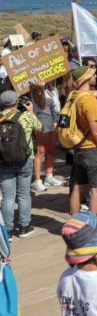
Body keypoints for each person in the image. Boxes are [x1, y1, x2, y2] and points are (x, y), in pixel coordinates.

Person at [66, 66, 97, 215]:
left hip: (78, 148)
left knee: (78, 186)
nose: (95, 77)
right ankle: (94, 225)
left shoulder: (74, 95)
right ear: (86, 78)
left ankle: (74, 221)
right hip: (92, 149)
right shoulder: (89, 101)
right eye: (93, 74)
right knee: (96, 189)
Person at [0, 91, 41, 238]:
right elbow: (40, 128)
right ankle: (24, 226)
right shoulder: (26, 116)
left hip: (3, 160)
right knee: (24, 194)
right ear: (17, 102)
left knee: (8, 196)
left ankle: (8, 230)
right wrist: (31, 111)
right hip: (24, 159)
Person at [30, 82, 62, 192]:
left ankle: (49, 176)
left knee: (51, 150)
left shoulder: (53, 88)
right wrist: (41, 88)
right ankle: (37, 181)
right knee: (40, 152)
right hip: (42, 117)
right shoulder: (35, 88)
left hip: (54, 118)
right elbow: (42, 105)